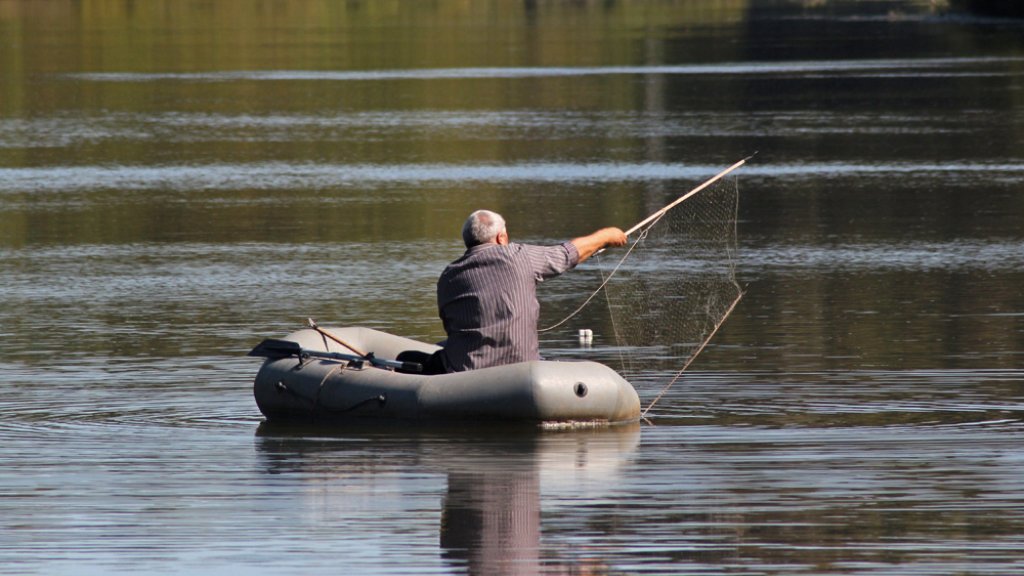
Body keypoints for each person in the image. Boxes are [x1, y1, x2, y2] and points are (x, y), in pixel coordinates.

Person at [432, 209, 627, 373]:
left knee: (424, 354)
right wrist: (605, 236)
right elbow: (567, 254)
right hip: (521, 372)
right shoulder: (519, 256)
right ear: (501, 237)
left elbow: (450, 324)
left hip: (466, 376)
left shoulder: (448, 276)